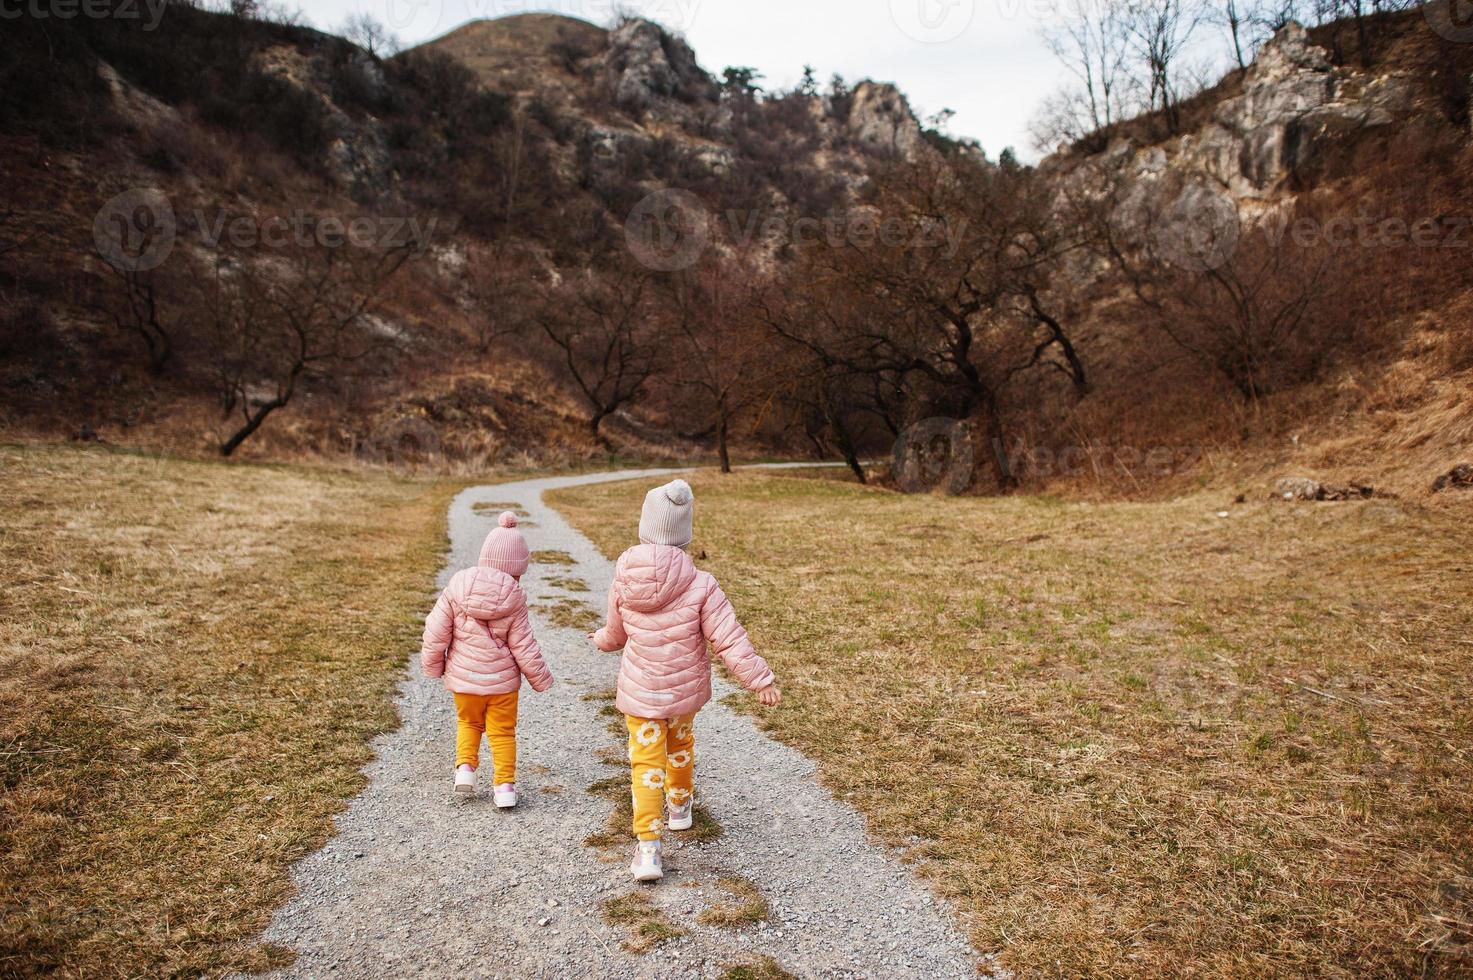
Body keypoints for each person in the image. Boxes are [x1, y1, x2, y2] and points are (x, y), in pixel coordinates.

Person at [590, 479, 780, 881]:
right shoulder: (701, 584)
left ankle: (648, 849)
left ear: (645, 527)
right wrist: (759, 680)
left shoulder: (625, 577)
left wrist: (601, 641)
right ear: (684, 535)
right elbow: (729, 638)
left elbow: (615, 632)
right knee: (679, 747)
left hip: (641, 696)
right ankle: (678, 808)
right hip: (683, 696)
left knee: (645, 765)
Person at [422, 512, 553, 807]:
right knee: (502, 733)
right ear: (518, 571)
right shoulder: (515, 598)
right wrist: (540, 679)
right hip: (502, 687)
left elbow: (436, 630)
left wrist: (434, 665)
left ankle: (465, 772)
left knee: (468, 722)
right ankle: (504, 788)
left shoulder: (457, 588)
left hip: (464, 683)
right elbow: (524, 645)